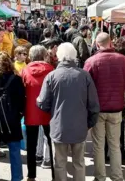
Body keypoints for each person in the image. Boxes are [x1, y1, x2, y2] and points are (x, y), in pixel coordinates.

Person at [37, 43, 100, 181]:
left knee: (60, 163)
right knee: (79, 162)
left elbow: (42, 102)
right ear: (74, 56)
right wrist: (89, 123)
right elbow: (94, 105)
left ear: (59, 56)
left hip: (59, 126)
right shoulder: (84, 76)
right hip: (79, 126)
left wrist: (53, 111)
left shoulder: (52, 76)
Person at [83, 32, 125, 181]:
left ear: (97, 44)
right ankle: (117, 177)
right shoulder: (123, 60)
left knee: (99, 146)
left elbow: (85, 86)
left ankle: (100, 177)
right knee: (115, 145)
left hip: (98, 109)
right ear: (111, 43)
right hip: (117, 109)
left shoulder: (91, 61)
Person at [0, 52, 25, 181]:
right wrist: (19, 115)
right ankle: (17, 178)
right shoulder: (16, 79)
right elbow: (21, 101)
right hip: (11, 120)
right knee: (14, 150)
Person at [21, 45, 55, 180]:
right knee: (52, 144)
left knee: (31, 145)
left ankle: (31, 175)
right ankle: (55, 174)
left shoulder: (25, 70)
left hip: (31, 112)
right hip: (48, 112)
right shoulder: (51, 70)